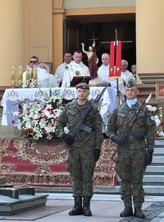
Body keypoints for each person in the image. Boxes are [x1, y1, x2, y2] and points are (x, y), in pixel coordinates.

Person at [106, 79, 155, 218]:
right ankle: (127, 206)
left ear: (137, 92)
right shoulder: (118, 110)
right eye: (127, 90)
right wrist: (114, 138)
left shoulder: (144, 110)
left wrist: (150, 150)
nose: (130, 92)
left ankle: (138, 207)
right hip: (123, 150)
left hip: (139, 149)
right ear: (125, 92)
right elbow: (110, 129)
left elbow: (150, 131)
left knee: (137, 180)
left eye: (132, 90)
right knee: (125, 180)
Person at [55, 83, 103, 216]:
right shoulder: (69, 107)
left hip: (88, 148)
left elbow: (99, 129)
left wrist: (97, 147)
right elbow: (59, 124)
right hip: (74, 147)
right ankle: (77, 205)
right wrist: (63, 135)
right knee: (76, 175)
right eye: (79, 91)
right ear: (76, 92)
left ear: (88, 93)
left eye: (84, 91)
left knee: (87, 176)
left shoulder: (92, 109)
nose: (81, 94)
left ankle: (86, 206)